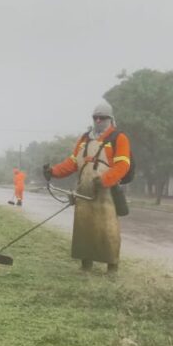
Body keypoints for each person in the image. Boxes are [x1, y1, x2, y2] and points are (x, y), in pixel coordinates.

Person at [42, 100, 130, 273]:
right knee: (84, 228)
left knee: (107, 230)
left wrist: (105, 180)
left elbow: (122, 165)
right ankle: (86, 264)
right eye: (95, 117)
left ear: (110, 119)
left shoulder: (119, 138)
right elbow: (72, 162)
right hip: (84, 190)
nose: (98, 121)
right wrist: (53, 171)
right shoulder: (84, 139)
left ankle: (112, 266)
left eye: (102, 118)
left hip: (106, 192)